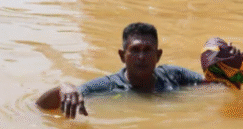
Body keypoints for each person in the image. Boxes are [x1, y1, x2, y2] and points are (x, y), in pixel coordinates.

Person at [35, 23, 206, 119]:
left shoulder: (174, 76)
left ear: (158, 55)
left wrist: (229, 69)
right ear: (122, 56)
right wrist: (63, 88)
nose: (141, 56)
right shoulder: (107, 86)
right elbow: (38, 107)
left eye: (147, 50)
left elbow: (215, 85)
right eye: (135, 50)